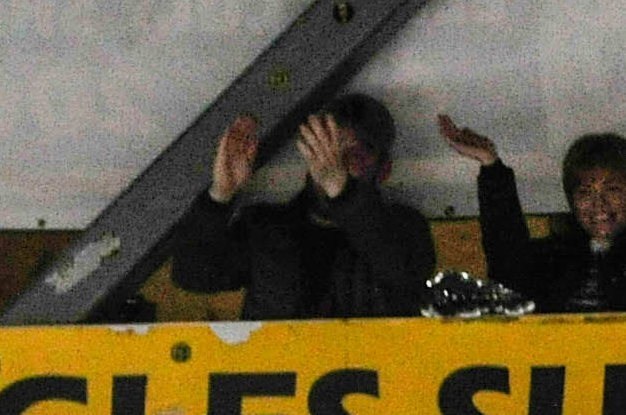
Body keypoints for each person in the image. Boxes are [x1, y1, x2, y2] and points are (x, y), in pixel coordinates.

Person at [163, 97, 430, 320]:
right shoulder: (266, 227)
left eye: (356, 156)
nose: (336, 164)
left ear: (384, 170)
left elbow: (404, 272)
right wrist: (220, 194)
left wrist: (342, 191)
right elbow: (191, 274)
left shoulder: (405, 228)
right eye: (328, 151)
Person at [446, 102, 626, 316]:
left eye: (612, 189)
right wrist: (490, 166)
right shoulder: (555, 261)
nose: (599, 204)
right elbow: (507, 263)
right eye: (585, 192)